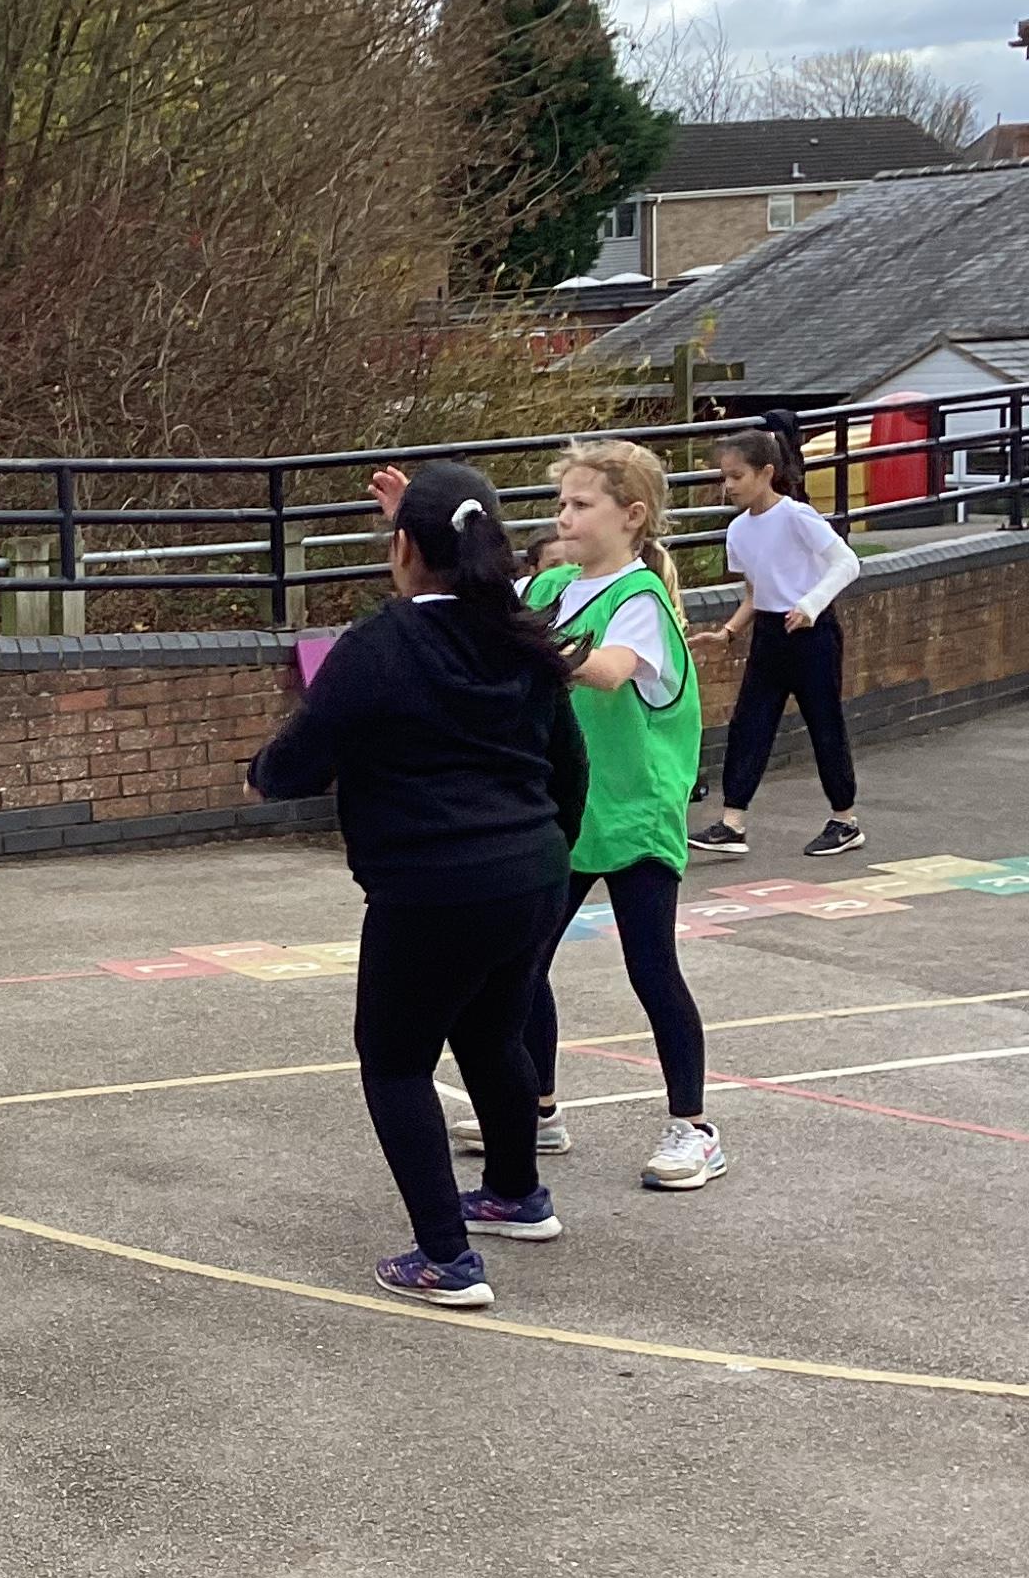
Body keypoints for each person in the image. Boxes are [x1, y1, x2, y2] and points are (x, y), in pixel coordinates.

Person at [251, 461, 588, 1306]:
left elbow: (296, 764)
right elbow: (570, 764)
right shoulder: (520, 635)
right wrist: (545, 851)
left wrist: (261, 770)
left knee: (395, 1061)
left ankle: (445, 1256)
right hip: (533, 871)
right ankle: (515, 1193)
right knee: (493, 1037)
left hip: (430, 887)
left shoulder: (378, 646)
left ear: (403, 548)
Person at [517, 437, 726, 1193]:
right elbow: (475, 607)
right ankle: (540, 1111)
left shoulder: (639, 600)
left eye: (580, 504)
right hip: (566, 810)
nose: (563, 516)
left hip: (635, 812)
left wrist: (527, 644)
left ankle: (694, 1128)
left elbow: (605, 672)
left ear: (631, 515)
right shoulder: (549, 587)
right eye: (560, 503)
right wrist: (420, 523)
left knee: (651, 967)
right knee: (522, 965)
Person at [687, 412, 865, 860]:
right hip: (769, 633)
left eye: (737, 476)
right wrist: (728, 632)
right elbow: (756, 591)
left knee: (824, 722)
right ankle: (732, 822)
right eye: (725, 476)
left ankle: (845, 820)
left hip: (812, 634)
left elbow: (847, 563)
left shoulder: (796, 516)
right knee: (749, 723)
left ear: (766, 473)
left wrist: (810, 604)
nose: (728, 486)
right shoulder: (738, 530)